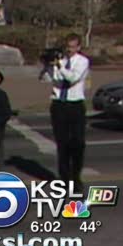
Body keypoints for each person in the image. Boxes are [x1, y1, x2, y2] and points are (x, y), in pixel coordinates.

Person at [45, 33, 90, 192]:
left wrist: (59, 66)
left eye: (73, 47)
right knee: (62, 144)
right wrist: (47, 65)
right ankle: (64, 179)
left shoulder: (82, 61)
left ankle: (76, 176)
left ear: (78, 47)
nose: (69, 50)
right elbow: (46, 79)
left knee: (77, 143)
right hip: (59, 104)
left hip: (75, 104)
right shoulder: (60, 62)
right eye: (67, 47)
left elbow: (72, 78)